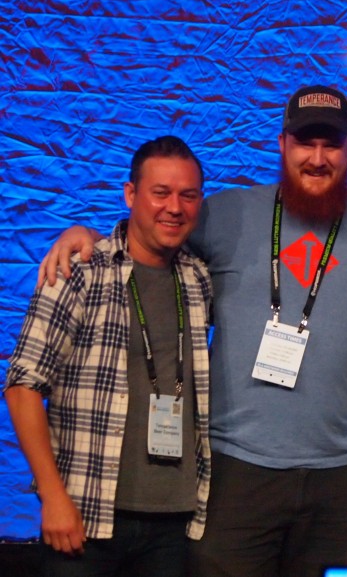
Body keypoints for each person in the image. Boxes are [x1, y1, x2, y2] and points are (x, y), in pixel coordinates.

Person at [37, 86, 347, 577]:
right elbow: (154, 232)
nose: (318, 157)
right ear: (282, 145)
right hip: (236, 469)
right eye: (306, 141)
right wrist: (86, 235)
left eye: (332, 143)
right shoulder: (227, 213)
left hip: (340, 475)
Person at [5, 135, 212, 577]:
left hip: (173, 521)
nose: (174, 207)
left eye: (187, 195)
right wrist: (53, 496)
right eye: (160, 193)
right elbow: (22, 386)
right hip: (86, 516)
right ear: (131, 194)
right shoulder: (79, 272)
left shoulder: (198, 279)